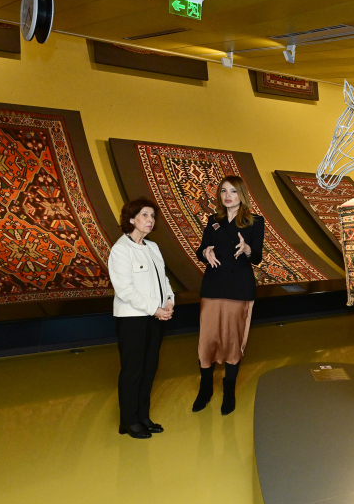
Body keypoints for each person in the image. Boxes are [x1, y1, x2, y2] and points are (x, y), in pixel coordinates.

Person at [192, 175, 264, 415]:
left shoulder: (255, 221)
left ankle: (229, 391)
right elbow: (200, 248)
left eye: (233, 191)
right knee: (207, 341)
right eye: (223, 191)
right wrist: (206, 252)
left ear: (241, 194)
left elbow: (257, 257)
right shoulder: (213, 221)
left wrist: (247, 249)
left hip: (238, 289)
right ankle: (205, 389)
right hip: (212, 287)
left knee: (233, 342)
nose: (227, 195)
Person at [108, 198, 175, 439]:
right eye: (145, 215)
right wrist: (154, 308)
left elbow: (163, 280)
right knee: (132, 370)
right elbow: (124, 290)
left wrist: (169, 302)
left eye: (153, 216)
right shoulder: (120, 250)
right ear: (131, 219)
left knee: (149, 368)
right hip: (133, 319)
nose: (150, 220)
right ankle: (128, 421)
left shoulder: (152, 247)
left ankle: (142, 416)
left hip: (155, 317)